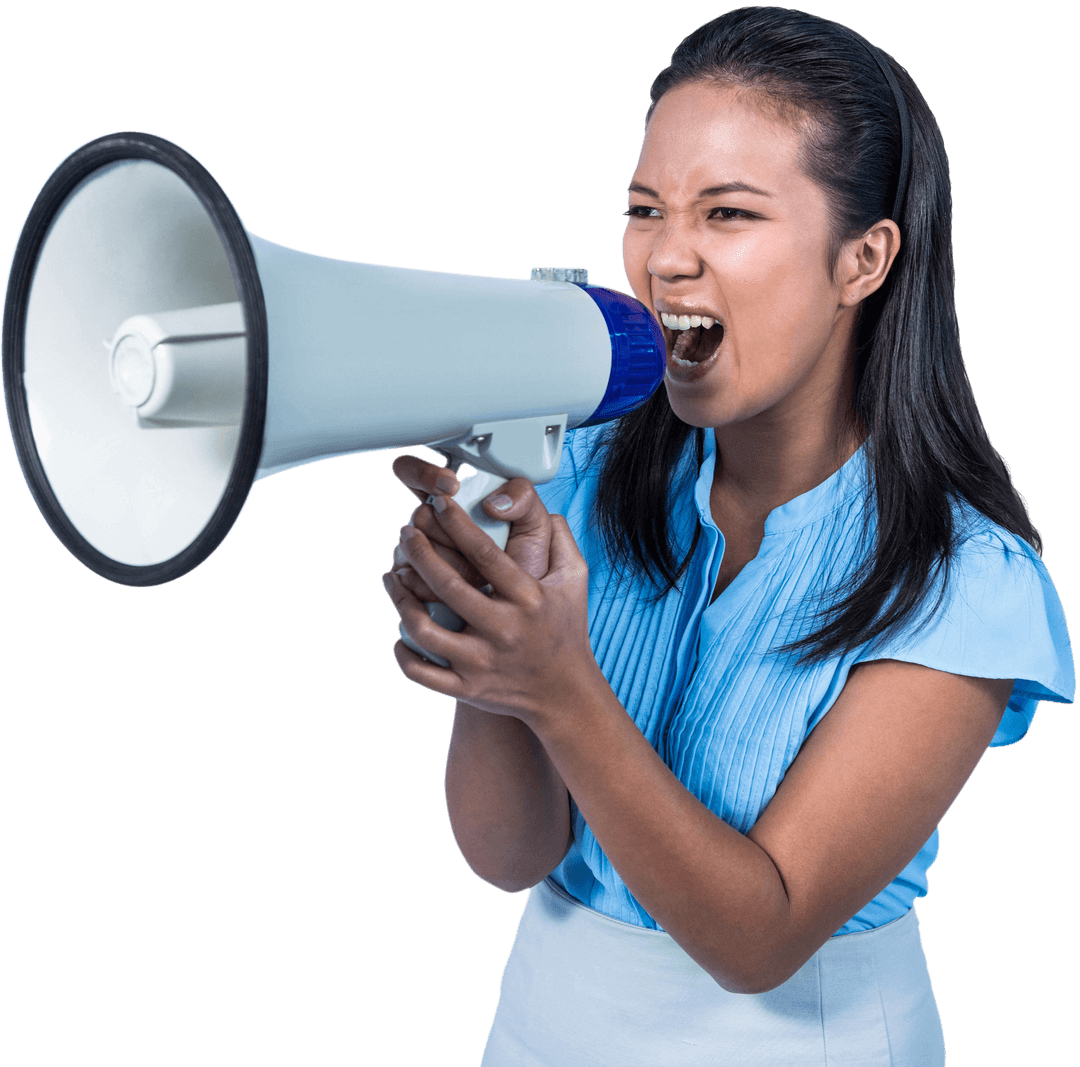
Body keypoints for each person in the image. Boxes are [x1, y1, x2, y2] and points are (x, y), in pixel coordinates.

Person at [381, 7, 1074, 1065]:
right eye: (646, 208)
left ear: (864, 259)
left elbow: (760, 933)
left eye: (729, 215)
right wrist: (494, 669)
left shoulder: (966, 583)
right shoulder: (594, 467)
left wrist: (560, 683)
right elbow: (511, 852)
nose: (666, 259)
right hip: (540, 1020)